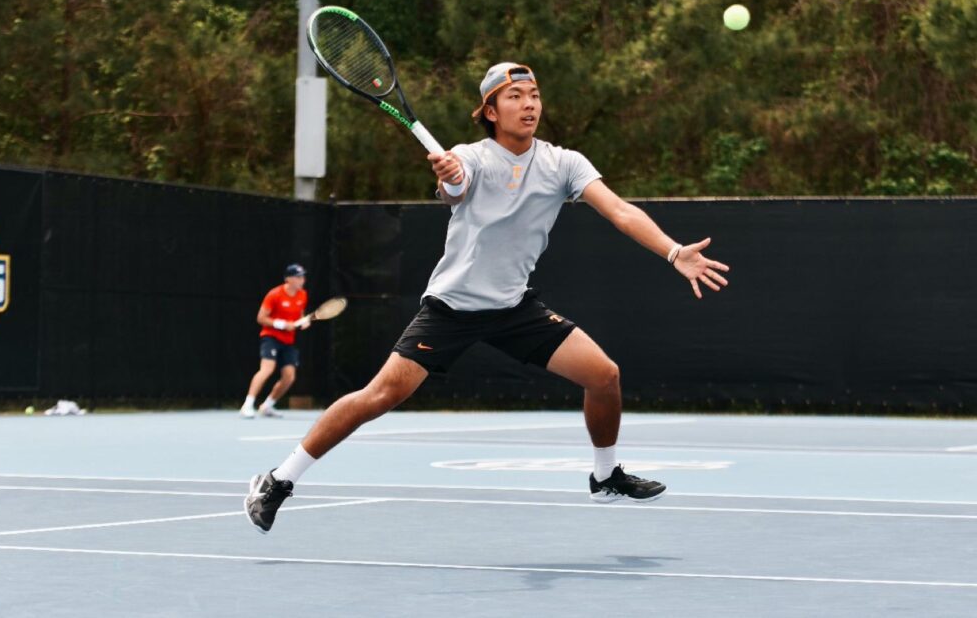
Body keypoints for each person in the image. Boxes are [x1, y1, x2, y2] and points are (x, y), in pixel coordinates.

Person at [245, 63, 730, 532]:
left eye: (534, 95)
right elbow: (456, 187)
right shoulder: (471, 157)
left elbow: (620, 211)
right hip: (451, 310)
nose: (528, 104)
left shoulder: (564, 163)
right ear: (491, 111)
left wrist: (672, 252)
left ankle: (605, 476)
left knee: (604, 376)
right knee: (379, 396)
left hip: (514, 308)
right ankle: (278, 480)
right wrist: (450, 176)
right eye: (514, 96)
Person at [239, 264, 312, 419]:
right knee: (267, 369)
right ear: (288, 279)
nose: (302, 280)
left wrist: (303, 321)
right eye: (298, 277)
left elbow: (300, 315)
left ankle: (267, 406)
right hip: (271, 337)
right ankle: (247, 405)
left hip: (288, 341)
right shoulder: (274, 294)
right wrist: (282, 324)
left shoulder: (303, 295)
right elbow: (261, 318)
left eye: (303, 276)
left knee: (289, 376)